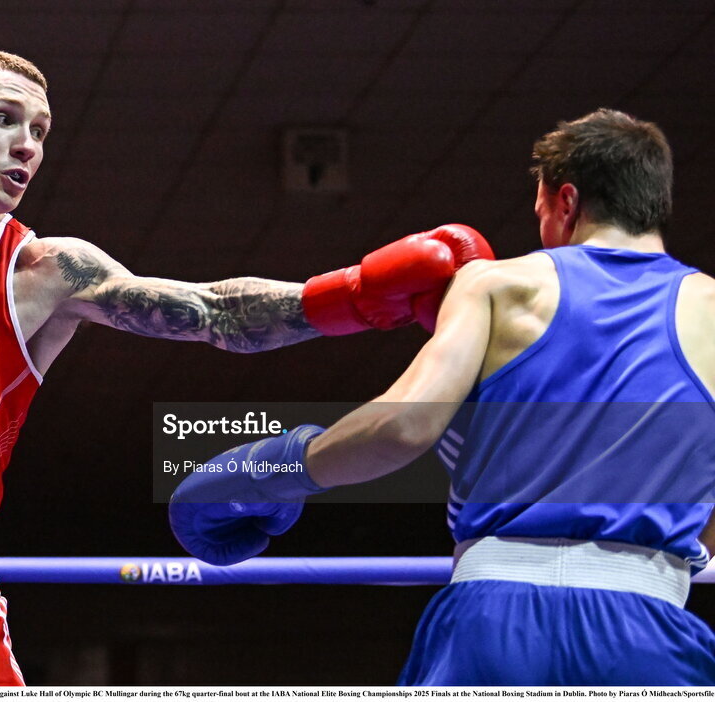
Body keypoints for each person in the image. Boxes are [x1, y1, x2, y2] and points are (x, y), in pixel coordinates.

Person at [0, 50, 491, 686]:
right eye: (4, 119)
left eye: (41, 131)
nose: (28, 146)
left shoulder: (48, 272)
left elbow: (213, 312)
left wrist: (354, 297)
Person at [169, 108, 715, 684]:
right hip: (648, 629)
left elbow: (404, 426)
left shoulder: (499, 284)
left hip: (496, 622)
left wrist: (275, 467)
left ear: (566, 201)